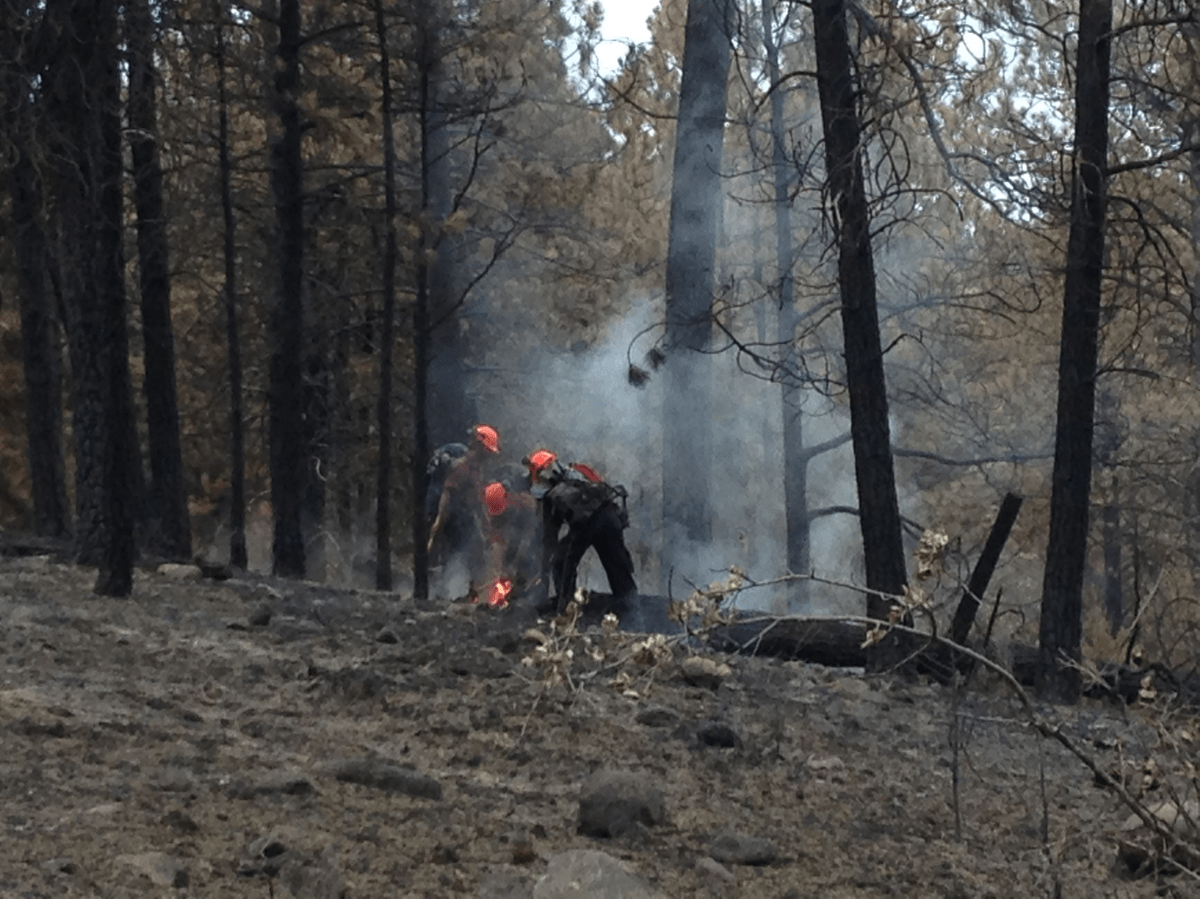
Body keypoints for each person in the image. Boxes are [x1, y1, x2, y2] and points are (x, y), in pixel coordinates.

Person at [523, 449, 637, 615]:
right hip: (610, 517)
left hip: (588, 522)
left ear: (538, 473)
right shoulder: (579, 472)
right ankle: (633, 612)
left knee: (562, 562)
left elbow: (550, 534)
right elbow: (602, 488)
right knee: (617, 566)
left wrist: (544, 569)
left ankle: (567, 611)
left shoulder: (548, 490)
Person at [426, 424, 500, 582]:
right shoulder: (462, 466)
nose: (487, 457)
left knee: (471, 545)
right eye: (486, 451)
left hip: (460, 511)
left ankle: (464, 581)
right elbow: (446, 496)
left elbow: (478, 501)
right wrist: (437, 526)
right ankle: (438, 579)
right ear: (478, 445)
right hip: (446, 510)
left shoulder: (475, 469)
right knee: (450, 548)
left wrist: (488, 528)